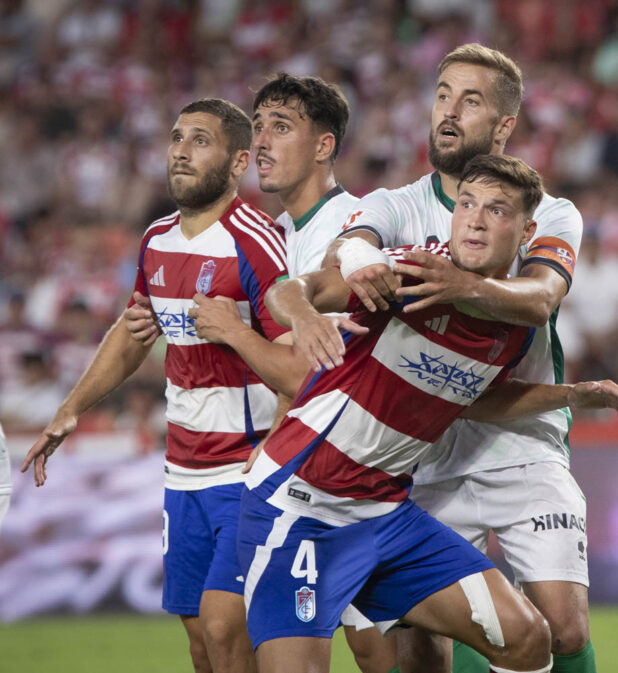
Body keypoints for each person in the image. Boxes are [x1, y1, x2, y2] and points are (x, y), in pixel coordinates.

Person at [241, 154, 618, 673]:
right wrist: (305, 318)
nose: (474, 219)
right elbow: (295, 290)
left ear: (527, 232)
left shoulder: (513, 324)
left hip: (384, 510)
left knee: (527, 638)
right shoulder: (407, 270)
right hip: (299, 503)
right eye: (467, 204)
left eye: (496, 210)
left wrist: (572, 394)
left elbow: (477, 399)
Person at [330, 44, 594, 673]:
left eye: (470, 102)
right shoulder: (398, 204)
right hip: (420, 459)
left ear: (504, 127)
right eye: (443, 94)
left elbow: (543, 296)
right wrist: (357, 260)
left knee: (564, 629)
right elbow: (355, 239)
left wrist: (465, 287)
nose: (449, 111)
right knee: (424, 648)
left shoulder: (547, 212)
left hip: (522, 443)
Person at [123, 72, 396, 673]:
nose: (263, 141)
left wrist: (270, 429)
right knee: (291, 645)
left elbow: (323, 365)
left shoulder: (354, 227)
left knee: (383, 647)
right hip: (309, 470)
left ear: (324, 146)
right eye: (259, 125)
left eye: (281, 126)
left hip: (361, 470)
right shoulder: (281, 234)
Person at [21, 98, 298, 673]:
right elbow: (134, 332)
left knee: (226, 630)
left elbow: (297, 365)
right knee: (200, 641)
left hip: (245, 470)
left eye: (200, 140)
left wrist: (275, 449)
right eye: (176, 138)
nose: (180, 150)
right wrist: (70, 409)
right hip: (182, 472)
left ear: (238, 161)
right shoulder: (155, 239)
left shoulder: (255, 241)